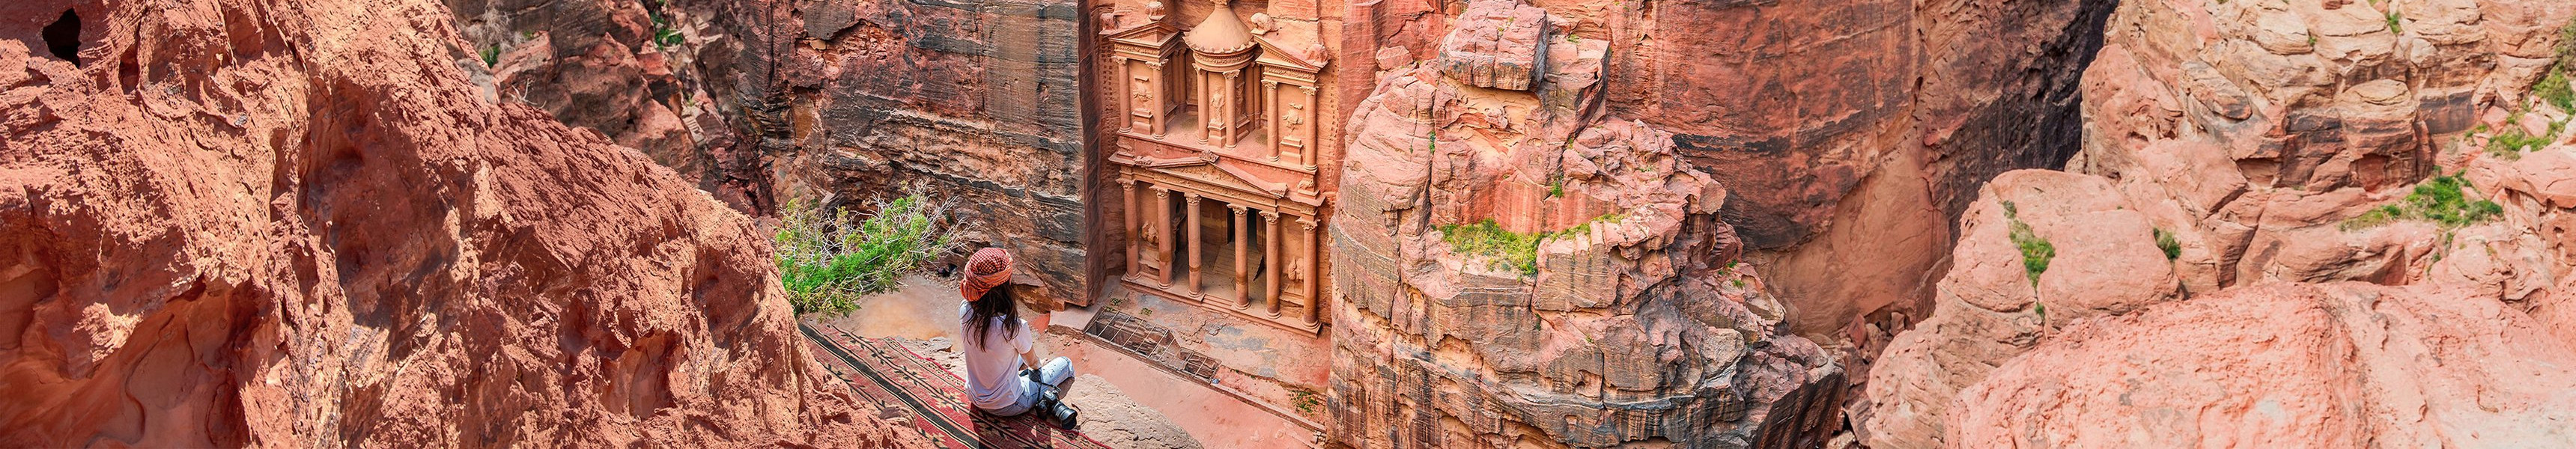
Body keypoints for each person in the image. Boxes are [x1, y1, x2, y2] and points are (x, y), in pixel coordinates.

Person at [957, 248, 1079, 425]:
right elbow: (1033, 364)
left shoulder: (965, 309)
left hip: (974, 396)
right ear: (1005, 285)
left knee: (1012, 356)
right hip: (1009, 405)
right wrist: (1036, 368)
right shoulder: (1013, 326)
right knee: (1065, 364)